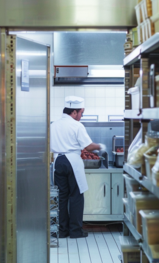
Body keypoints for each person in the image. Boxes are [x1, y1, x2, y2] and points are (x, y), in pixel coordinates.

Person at [50, 96, 106, 238]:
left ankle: (62, 231)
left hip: (58, 161)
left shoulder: (53, 125)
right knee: (76, 196)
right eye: (81, 113)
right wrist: (100, 146)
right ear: (74, 112)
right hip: (72, 161)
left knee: (61, 197)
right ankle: (75, 231)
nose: (81, 116)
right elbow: (87, 146)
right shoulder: (77, 126)